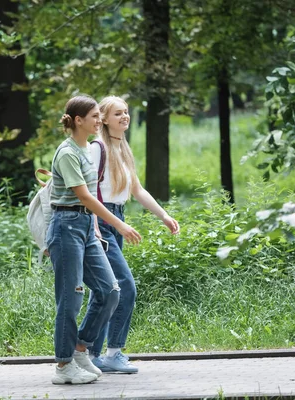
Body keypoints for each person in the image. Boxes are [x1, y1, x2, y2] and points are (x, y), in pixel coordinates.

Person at [47, 95, 142, 385]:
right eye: (94, 117)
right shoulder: (67, 153)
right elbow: (85, 196)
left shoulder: (87, 148)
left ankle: (80, 347)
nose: (98, 121)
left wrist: (98, 229)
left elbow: (93, 194)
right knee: (71, 298)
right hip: (66, 227)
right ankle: (63, 366)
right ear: (78, 121)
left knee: (110, 290)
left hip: (87, 226)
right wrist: (119, 225)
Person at [88, 96, 180, 374]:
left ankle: (91, 354)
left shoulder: (122, 147)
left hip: (117, 217)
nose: (125, 117)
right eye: (118, 113)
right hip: (103, 221)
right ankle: (112, 352)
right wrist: (99, 225)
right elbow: (88, 192)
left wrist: (163, 215)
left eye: (126, 112)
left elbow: (137, 190)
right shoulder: (98, 147)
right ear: (103, 118)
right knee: (124, 287)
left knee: (105, 290)